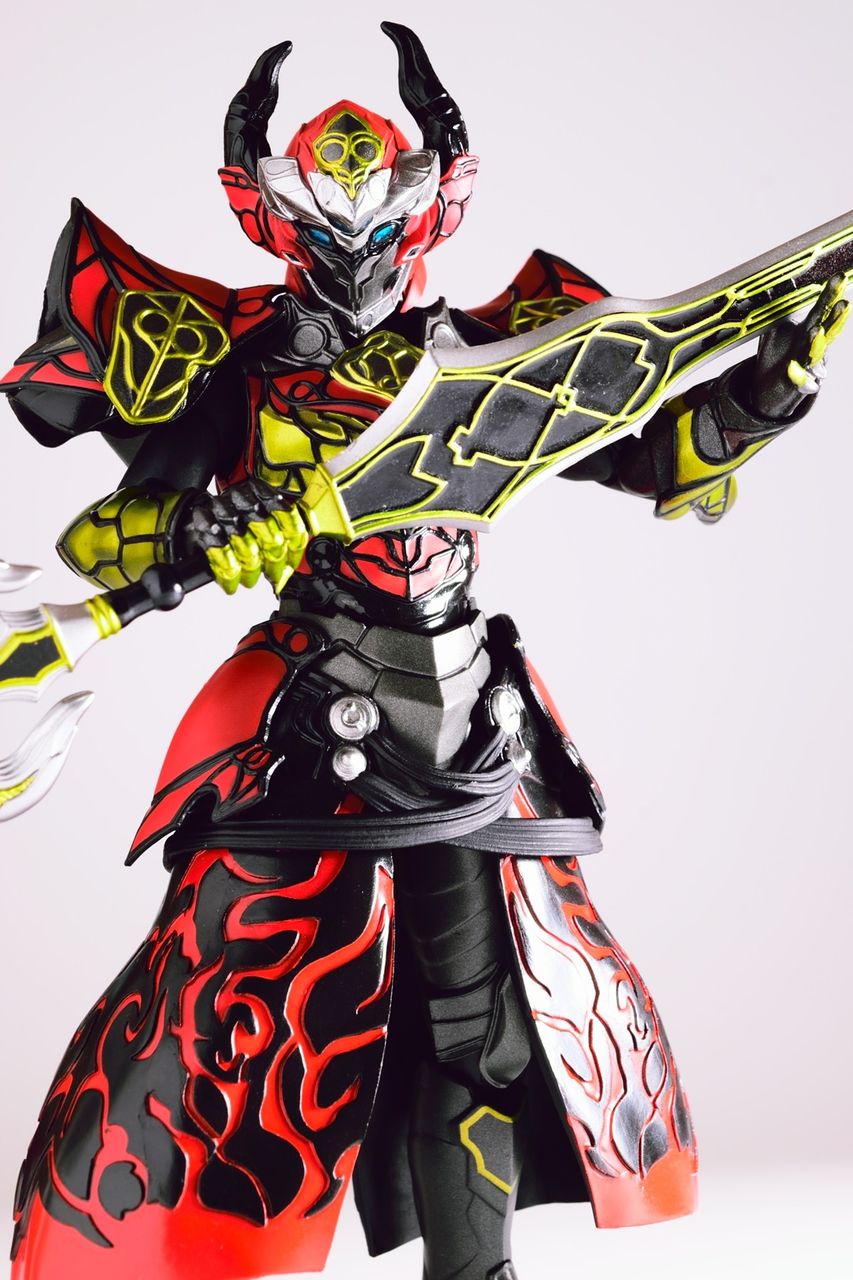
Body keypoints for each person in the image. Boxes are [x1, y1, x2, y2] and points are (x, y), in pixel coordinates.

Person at [1, 22, 845, 1280]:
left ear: (432, 210)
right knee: (235, 1011)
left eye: (380, 222)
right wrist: (198, 525)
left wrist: (768, 391)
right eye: (322, 223)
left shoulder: (502, 354)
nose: (353, 252)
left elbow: (657, 460)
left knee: (484, 1030)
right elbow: (107, 536)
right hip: (310, 717)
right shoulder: (229, 362)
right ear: (267, 214)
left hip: (472, 722)